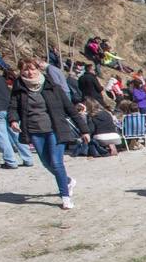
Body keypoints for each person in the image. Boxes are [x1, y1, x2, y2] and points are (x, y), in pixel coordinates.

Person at [7, 57, 89, 210]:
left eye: (32, 69)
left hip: (54, 130)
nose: (29, 72)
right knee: (46, 163)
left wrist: (84, 130)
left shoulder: (52, 87)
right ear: (21, 71)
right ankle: (68, 181)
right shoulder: (18, 89)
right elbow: (12, 107)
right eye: (25, 69)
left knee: (57, 163)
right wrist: (13, 120)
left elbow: (70, 109)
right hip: (34, 130)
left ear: (39, 69)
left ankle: (65, 197)